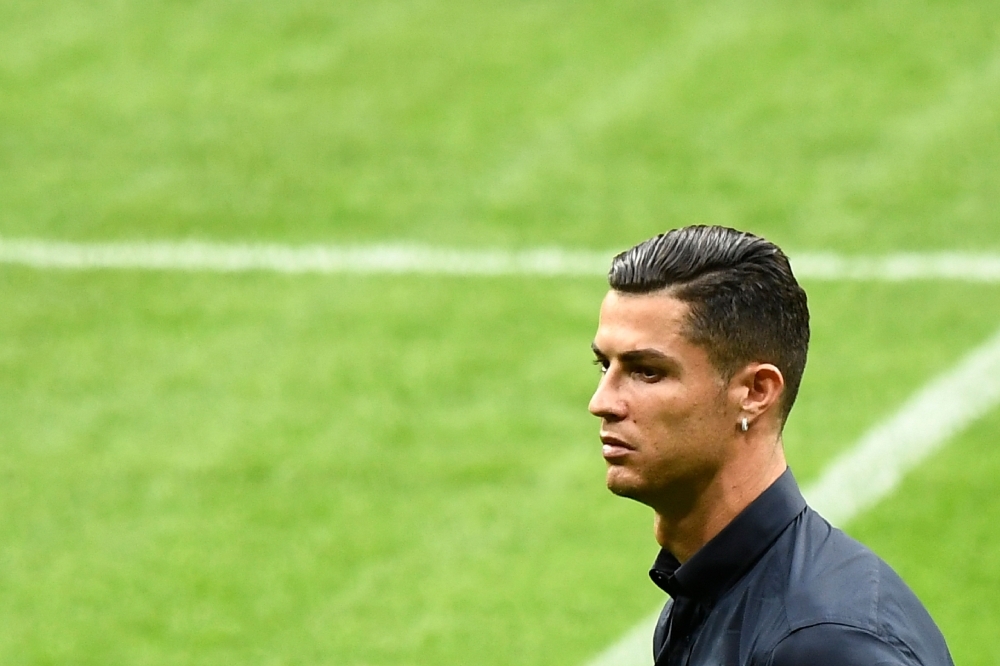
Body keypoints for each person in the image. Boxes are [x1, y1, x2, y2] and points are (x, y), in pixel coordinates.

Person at [588, 226, 953, 665]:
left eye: (647, 371)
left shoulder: (825, 644)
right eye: (604, 365)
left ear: (756, 392)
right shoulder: (704, 595)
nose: (602, 403)